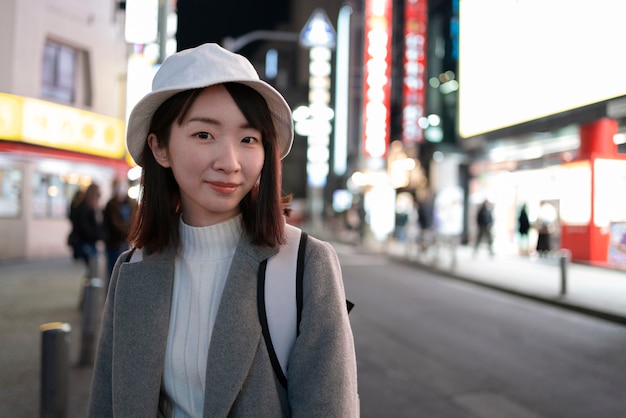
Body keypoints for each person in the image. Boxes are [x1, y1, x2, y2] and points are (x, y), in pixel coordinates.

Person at [88, 43, 359, 417]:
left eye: (248, 139)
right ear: (160, 148)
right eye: (204, 135)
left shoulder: (307, 264)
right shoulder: (131, 270)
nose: (230, 163)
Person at [102, 178, 137, 280]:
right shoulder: (111, 205)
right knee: (112, 272)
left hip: (125, 242)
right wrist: (128, 231)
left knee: (123, 271)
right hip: (114, 243)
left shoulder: (130, 203)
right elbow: (114, 224)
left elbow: (134, 219)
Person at [69, 183, 103, 275]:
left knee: (91, 271)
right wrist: (96, 235)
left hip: (89, 241)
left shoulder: (89, 206)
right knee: (91, 271)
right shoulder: (86, 206)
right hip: (86, 242)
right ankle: (88, 289)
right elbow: (84, 226)